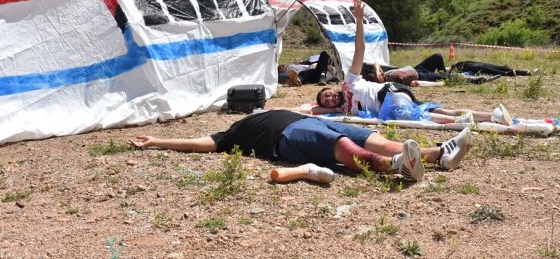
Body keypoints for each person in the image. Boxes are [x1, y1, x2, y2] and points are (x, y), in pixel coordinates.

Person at [305, 0, 512, 125]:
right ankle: (492, 116)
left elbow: (360, 50)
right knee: (436, 112)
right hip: (396, 95)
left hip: (388, 95)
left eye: (328, 94)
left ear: (332, 88)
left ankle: (461, 121)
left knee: (419, 117)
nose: (330, 98)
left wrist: (358, 21)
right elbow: (312, 110)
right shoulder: (340, 110)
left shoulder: (349, 82)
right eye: (327, 101)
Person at [129, 109, 472, 182]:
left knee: (375, 138)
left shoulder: (274, 107)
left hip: (311, 121)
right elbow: (198, 144)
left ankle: (439, 154)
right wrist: (156, 140)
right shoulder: (231, 133)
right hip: (289, 137)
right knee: (341, 148)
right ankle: (394, 167)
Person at [364, 53, 500, 86]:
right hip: (421, 77)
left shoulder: (384, 74)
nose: (378, 75)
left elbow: (376, 63)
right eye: (376, 77)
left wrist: (377, 71)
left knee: (437, 56)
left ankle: (444, 71)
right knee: (448, 78)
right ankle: (476, 80)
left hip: (418, 68)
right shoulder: (386, 84)